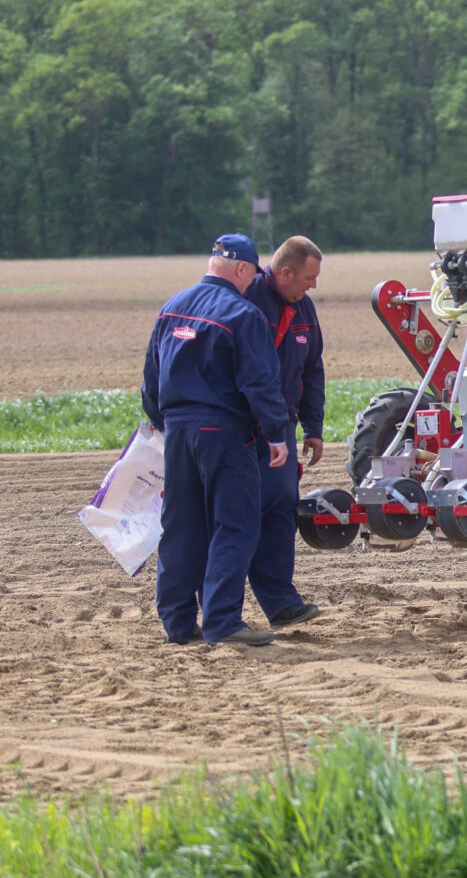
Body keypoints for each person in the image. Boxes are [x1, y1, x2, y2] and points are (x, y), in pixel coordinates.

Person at [140, 234, 291, 647]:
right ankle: (223, 622)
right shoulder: (244, 314)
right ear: (242, 269)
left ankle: (177, 623)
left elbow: (151, 380)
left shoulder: (170, 308)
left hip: (177, 430)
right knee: (236, 525)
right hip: (223, 432)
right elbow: (259, 382)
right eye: (251, 275)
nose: (251, 283)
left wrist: (164, 422)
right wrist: (276, 433)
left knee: (180, 526)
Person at [243, 236, 325, 630]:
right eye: (309, 278)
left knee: (280, 509)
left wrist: (314, 427)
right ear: (285, 272)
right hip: (241, 430)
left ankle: (280, 602)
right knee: (233, 512)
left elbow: (312, 370)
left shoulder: (304, 309)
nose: (313, 286)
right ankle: (211, 607)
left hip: (284, 429)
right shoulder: (246, 301)